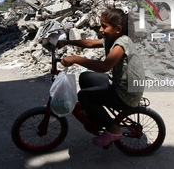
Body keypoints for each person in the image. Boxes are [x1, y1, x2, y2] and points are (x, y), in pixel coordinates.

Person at [58, 8, 145, 146]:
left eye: (104, 26)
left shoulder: (122, 43)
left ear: (118, 28)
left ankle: (113, 129)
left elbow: (105, 67)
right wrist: (68, 42)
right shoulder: (111, 39)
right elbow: (91, 43)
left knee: (84, 96)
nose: (100, 29)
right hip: (118, 83)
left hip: (126, 93)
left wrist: (75, 58)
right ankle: (96, 115)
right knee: (85, 78)